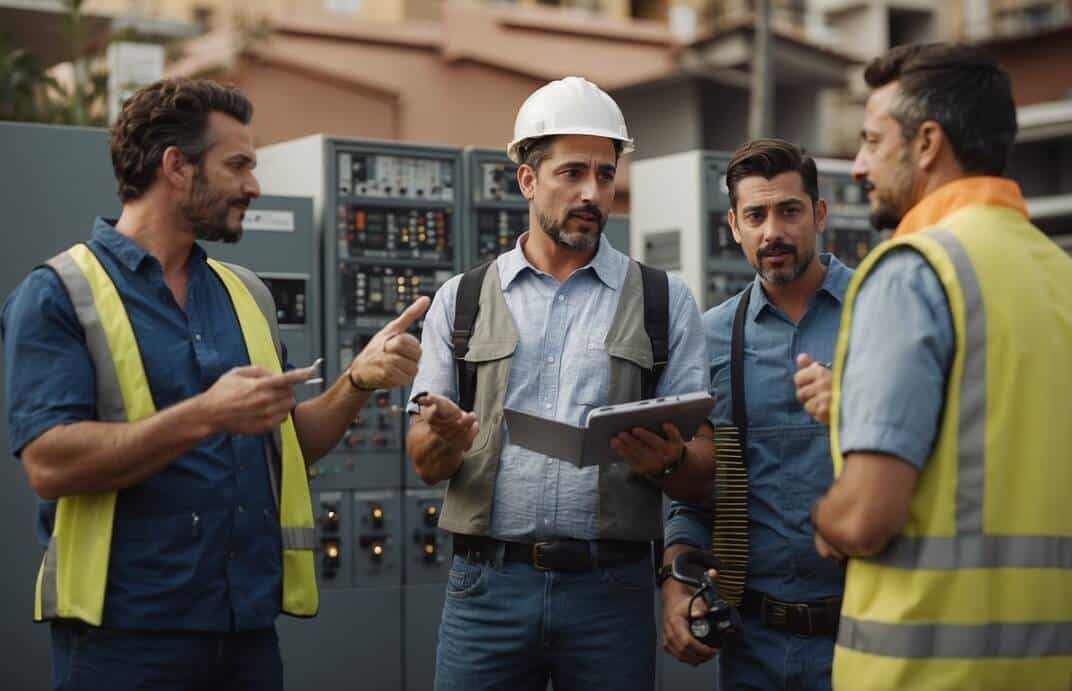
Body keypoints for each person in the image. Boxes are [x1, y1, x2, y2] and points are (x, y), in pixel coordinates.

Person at [1, 78, 427, 691]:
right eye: (239, 165)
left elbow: (286, 449)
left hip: (246, 634)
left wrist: (357, 379)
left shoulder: (245, 294)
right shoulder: (59, 294)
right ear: (176, 167)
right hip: (125, 642)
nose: (255, 185)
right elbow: (48, 464)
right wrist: (205, 414)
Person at [404, 76, 713, 690]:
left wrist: (670, 458)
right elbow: (424, 463)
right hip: (486, 591)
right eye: (571, 173)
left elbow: (702, 467)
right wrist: (445, 437)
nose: (592, 192)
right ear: (527, 179)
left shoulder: (663, 301)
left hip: (610, 595)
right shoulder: (461, 300)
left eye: (604, 174)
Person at [796, 43, 1072, 690]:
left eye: (870, 140)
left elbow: (866, 515)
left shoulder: (913, 270)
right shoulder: (1059, 275)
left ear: (926, 143)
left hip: (921, 672)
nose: (859, 164)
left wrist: (823, 521)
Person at [661, 139, 853, 689]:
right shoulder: (709, 335)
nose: (773, 231)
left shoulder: (879, 308)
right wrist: (677, 576)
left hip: (868, 633)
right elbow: (695, 488)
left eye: (789, 211)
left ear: (818, 213)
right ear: (733, 226)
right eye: (756, 215)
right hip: (753, 644)